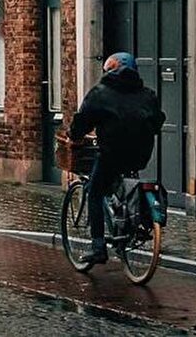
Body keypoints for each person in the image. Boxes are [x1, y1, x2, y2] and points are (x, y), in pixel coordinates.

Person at [69, 51, 165, 265]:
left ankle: (98, 247)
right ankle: (133, 225)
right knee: (127, 183)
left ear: (112, 70)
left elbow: (83, 120)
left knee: (94, 191)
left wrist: (74, 136)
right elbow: (158, 120)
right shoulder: (148, 94)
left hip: (112, 154)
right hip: (140, 155)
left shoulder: (100, 93)